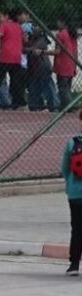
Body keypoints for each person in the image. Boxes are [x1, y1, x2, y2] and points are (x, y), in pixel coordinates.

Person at [61, 111, 82, 276]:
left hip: (75, 193)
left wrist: (70, 185)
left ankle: (74, 264)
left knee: (77, 228)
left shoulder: (72, 142)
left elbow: (65, 168)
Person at [0, 9, 25, 109]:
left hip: (5, 57)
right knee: (15, 82)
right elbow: (24, 39)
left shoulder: (4, 25)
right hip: (16, 58)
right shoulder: (19, 27)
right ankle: (17, 103)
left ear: (7, 16)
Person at [26, 28, 58, 112]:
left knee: (48, 88)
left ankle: (54, 105)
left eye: (36, 28)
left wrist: (23, 49)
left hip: (43, 68)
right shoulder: (31, 39)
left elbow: (33, 49)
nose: (33, 30)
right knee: (34, 88)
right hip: (34, 69)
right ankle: (35, 105)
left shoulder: (42, 40)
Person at [52, 17, 78, 109]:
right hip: (71, 64)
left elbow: (57, 51)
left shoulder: (60, 34)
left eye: (58, 22)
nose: (57, 24)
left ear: (63, 23)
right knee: (67, 87)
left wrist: (43, 52)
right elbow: (75, 52)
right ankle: (68, 106)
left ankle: (68, 106)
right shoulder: (73, 34)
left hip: (62, 64)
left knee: (62, 88)